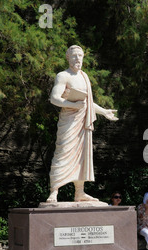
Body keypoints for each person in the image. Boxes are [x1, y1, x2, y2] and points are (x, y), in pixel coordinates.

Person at [46, 45, 118, 203]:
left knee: (82, 157)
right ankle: (54, 191)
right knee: (63, 153)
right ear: (68, 57)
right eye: (74, 56)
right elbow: (54, 98)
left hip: (82, 123)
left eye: (80, 55)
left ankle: (79, 192)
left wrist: (104, 112)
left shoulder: (84, 76)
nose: (77, 59)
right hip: (69, 121)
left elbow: (88, 103)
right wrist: (74, 105)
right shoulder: (63, 76)